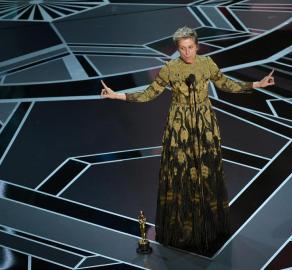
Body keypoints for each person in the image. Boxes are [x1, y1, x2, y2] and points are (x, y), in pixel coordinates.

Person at [101, 26, 275, 255]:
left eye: (190, 47)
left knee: (205, 173)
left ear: (197, 46)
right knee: (182, 174)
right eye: (182, 49)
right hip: (179, 126)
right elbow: (149, 93)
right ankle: (183, 229)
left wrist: (255, 84)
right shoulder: (170, 68)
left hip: (204, 125)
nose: (187, 53)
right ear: (178, 49)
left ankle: (208, 227)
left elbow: (225, 84)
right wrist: (118, 95)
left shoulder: (207, 63)